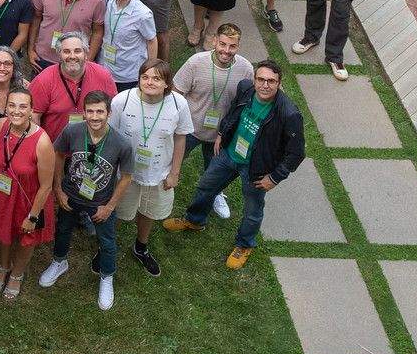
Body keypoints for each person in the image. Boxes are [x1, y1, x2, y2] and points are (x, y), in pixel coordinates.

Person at [163, 60, 304, 269]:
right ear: (254, 79)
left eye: (271, 81)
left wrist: (274, 177)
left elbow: (296, 153)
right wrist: (222, 132)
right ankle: (195, 220)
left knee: (252, 209)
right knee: (206, 186)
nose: (265, 85)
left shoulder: (289, 114)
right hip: (229, 154)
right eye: (261, 79)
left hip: (257, 168)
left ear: (279, 83)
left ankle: (244, 244)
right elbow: (233, 111)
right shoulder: (246, 89)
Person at [38, 87, 133, 309]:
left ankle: (107, 276)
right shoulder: (72, 131)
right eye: (90, 111)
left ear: (109, 113)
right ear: (84, 113)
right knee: (63, 229)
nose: (95, 117)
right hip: (71, 194)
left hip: (101, 201)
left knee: (107, 241)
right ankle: (59, 261)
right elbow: (58, 155)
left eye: (100, 112)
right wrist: (59, 189)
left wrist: (109, 207)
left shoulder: (121, 143)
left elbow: (127, 177)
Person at [107, 59, 193, 278]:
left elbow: (180, 138)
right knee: (116, 212)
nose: (150, 82)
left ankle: (140, 247)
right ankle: (107, 248)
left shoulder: (178, 104)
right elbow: (110, 137)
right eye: (145, 77)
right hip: (124, 174)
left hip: (159, 174)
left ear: (167, 83)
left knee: (150, 211)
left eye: (156, 78)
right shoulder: (121, 101)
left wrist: (174, 173)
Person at [175, 21, 253, 221]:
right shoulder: (195, 62)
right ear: (214, 41)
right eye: (223, 44)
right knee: (171, 163)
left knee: (215, 173)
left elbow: (246, 103)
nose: (226, 51)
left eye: (232, 46)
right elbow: (176, 94)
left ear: (238, 46)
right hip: (190, 130)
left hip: (220, 135)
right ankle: (163, 190)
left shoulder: (245, 69)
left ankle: (216, 194)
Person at [0, 88, 56, 300]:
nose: (17, 111)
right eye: (12, 105)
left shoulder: (42, 142)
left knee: (27, 238)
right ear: (6, 108)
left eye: (23, 106)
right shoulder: (0, 126)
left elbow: (46, 186)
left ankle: (17, 274)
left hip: (29, 200)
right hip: (3, 194)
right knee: (4, 232)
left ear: (32, 110)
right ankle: (4, 266)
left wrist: (33, 216)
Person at [92, 0, 159, 91]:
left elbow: (152, 41)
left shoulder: (143, 14)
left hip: (126, 76)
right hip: (102, 68)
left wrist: (150, 71)